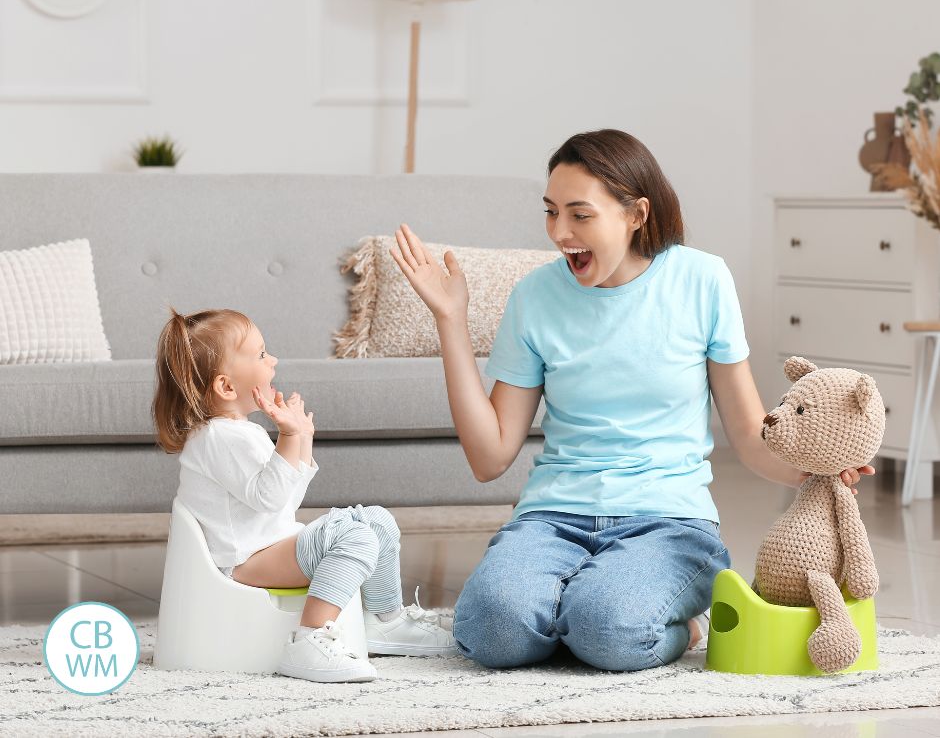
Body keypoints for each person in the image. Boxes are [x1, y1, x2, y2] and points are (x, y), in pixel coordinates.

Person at [389, 128, 873, 671]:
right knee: (491, 631)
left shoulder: (702, 279)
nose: (559, 233)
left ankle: (674, 623)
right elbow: (489, 457)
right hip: (553, 517)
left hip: (669, 521)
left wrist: (820, 472)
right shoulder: (536, 296)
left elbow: (746, 430)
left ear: (636, 214)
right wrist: (450, 320)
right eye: (550, 212)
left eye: (579, 214)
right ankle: (585, 610)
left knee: (610, 631)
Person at [152, 308, 456, 683]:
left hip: (267, 546)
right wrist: (289, 439)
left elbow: (284, 500)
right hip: (245, 561)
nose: (273, 360)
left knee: (377, 520)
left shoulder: (236, 432)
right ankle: (309, 639)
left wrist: (302, 438)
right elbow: (269, 499)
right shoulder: (220, 438)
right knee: (355, 536)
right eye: (261, 355)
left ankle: (383, 620)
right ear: (226, 387)